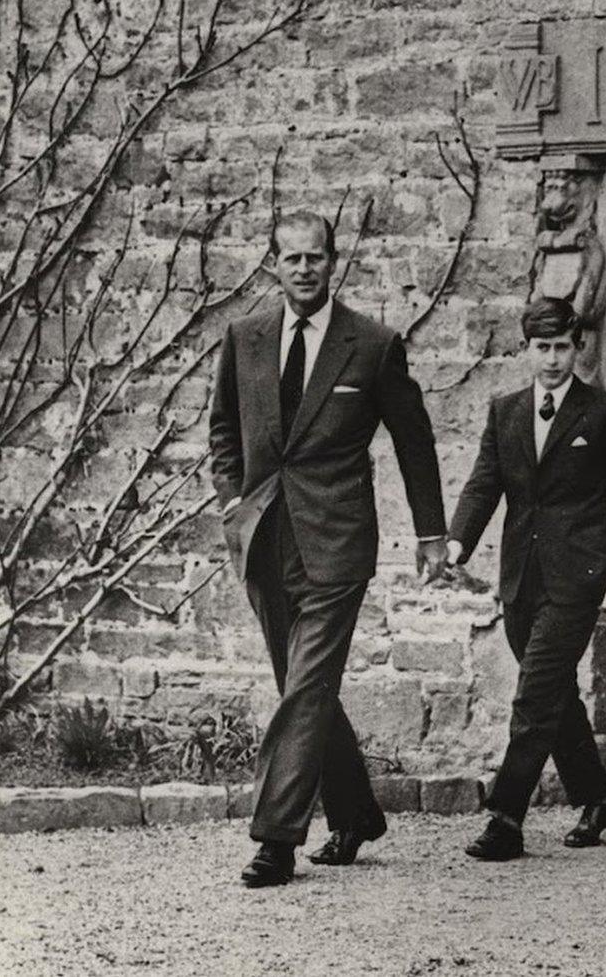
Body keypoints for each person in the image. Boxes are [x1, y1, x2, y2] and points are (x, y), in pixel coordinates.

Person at [209, 209, 448, 887]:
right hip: (263, 538)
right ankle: (356, 810)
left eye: (316, 257)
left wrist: (431, 533)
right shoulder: (245, 337)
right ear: (273, 265)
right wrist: (231, 498)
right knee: (302, 687)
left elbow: (414, 439)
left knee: (309, 683)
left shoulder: (371, 344)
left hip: (338, 540)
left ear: (332, 262)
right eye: (292, 258)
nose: (305, 268)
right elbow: (224, 428)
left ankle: (275, 840)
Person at [443, 297, 606, 860]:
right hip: (520, 577)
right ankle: (598, 796)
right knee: (554, 692)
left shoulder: (605, 412)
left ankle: (506, 817)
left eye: (562, 347)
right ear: (526, 349)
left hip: (578, 577)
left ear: (577, 347)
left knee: (534, 695)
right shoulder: (505, 410)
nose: (553, 359)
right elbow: (485, 483)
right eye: (542, 347)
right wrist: (457, 542)